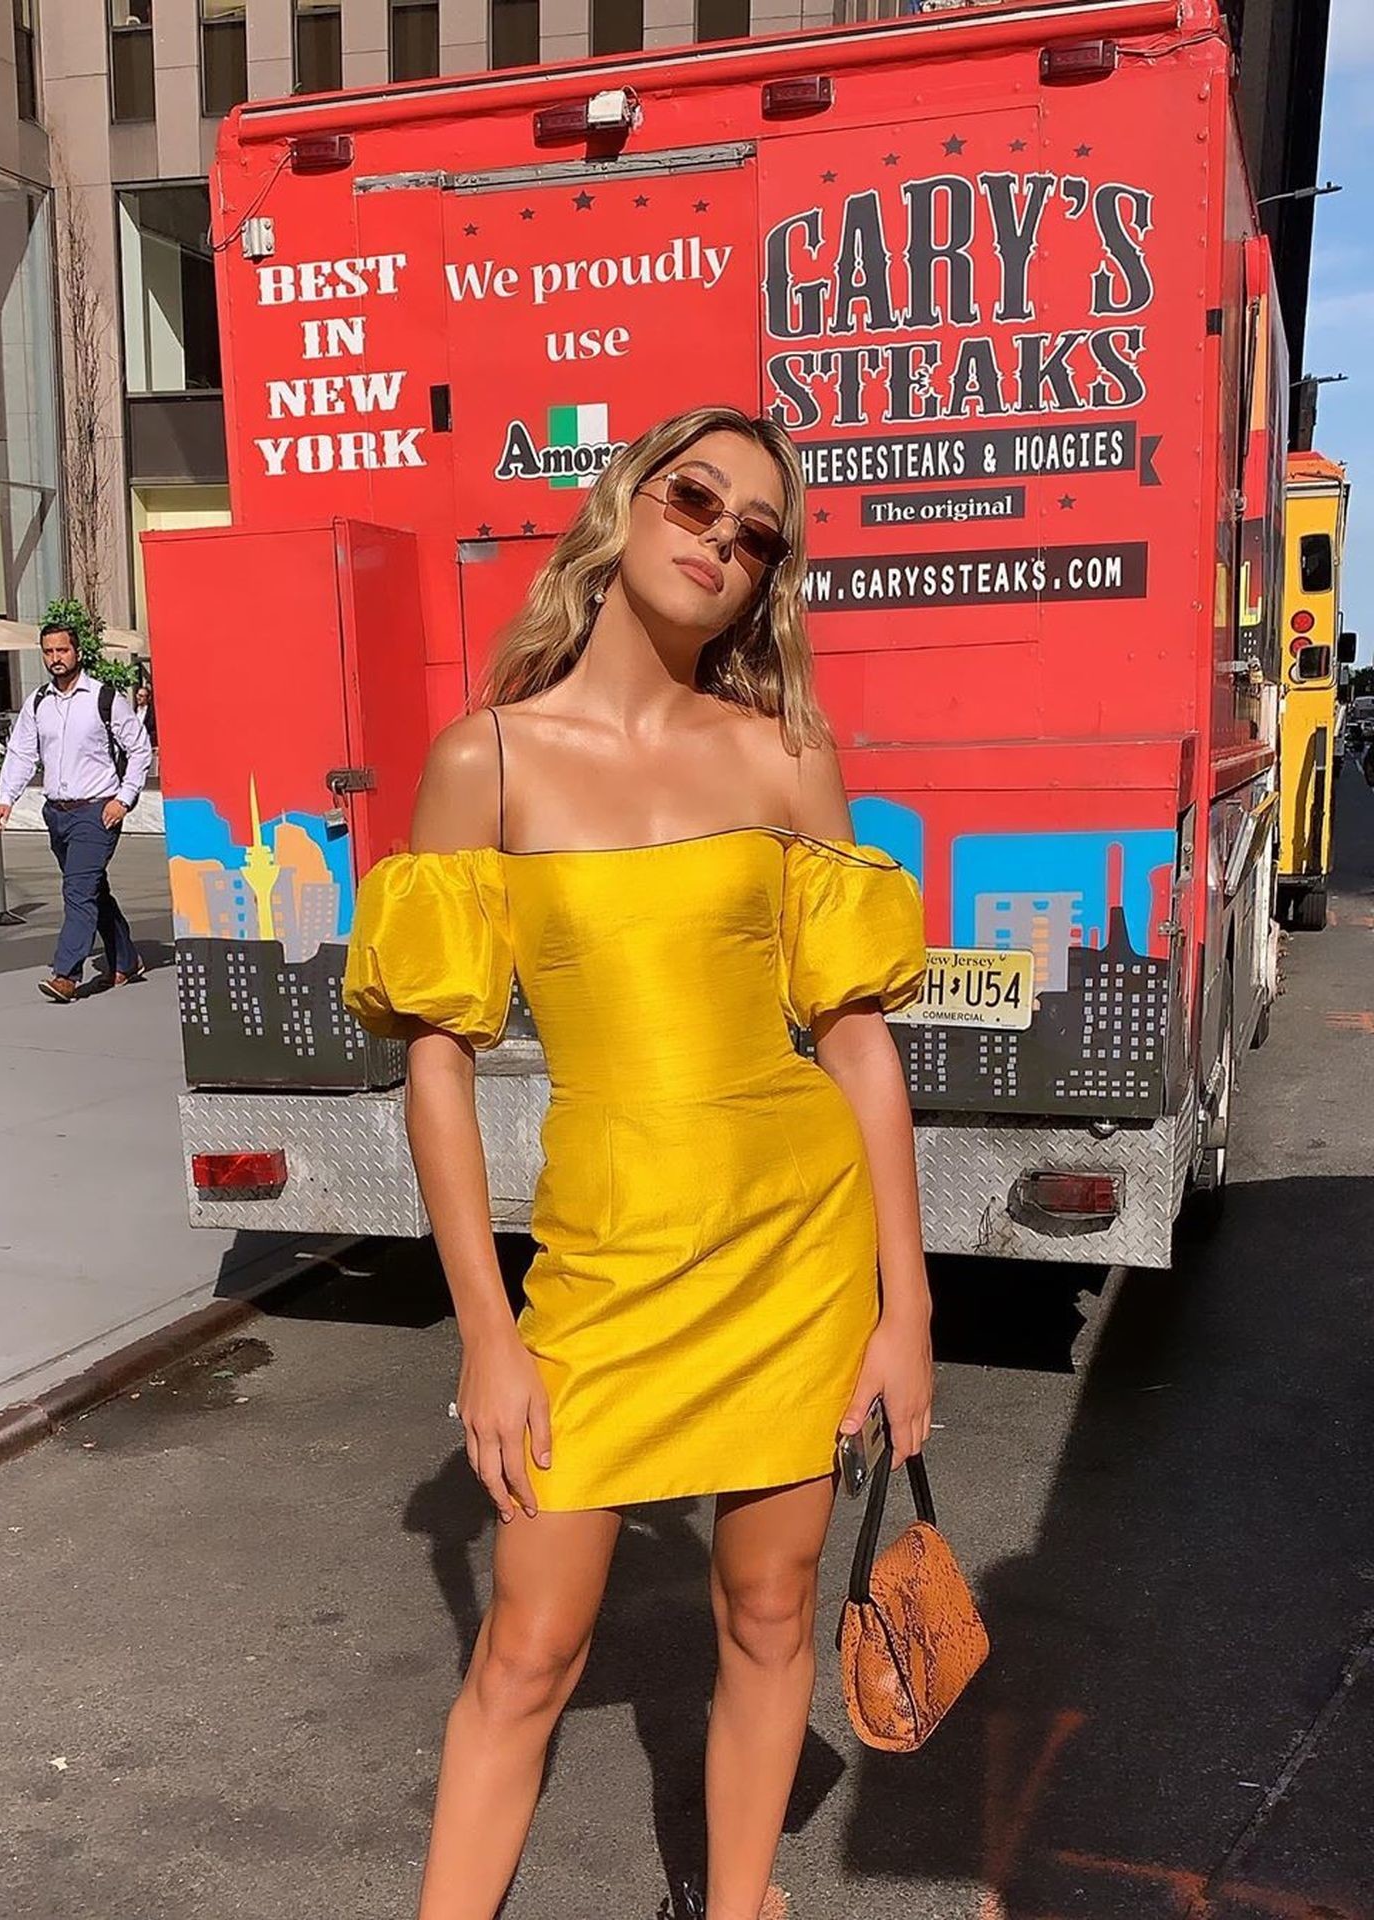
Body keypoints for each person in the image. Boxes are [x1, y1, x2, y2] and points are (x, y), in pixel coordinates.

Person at [343, 406, 932, 1920]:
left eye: (757, 536)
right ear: (625, 501)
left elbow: (858, 1041)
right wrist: (487, 1331)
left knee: (770, 1608)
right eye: (695, 499)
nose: (720, 540)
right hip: (603, 1265)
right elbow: (435, 1066)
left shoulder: (785, 754)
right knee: (529, 1651)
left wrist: (907, 1306)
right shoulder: (486, 759)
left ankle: (736, 1906)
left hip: (793, 1246)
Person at [0, 622, 153, 1003]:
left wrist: (123, 799)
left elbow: (140, 748)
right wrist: (5, 797)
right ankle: (126, 960)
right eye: (48, 652)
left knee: (77, 890)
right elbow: (21, 753)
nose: (55, 659)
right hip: (57, 814)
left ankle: (66, 974)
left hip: (97, 812)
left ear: (77, 652)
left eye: (62, 650)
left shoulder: (103, 698)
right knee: (92, 889)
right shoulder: (38, 702)